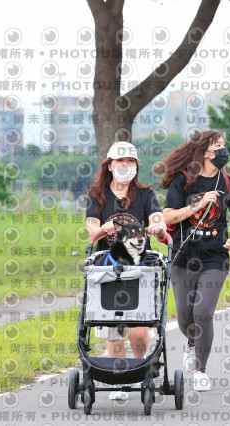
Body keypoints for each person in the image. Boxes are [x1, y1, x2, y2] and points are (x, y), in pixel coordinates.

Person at [156, 130, 230, 391]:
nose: (223, 150)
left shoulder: (229, 183)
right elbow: (166, 216)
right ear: (204, 152)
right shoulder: (184, 180)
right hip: (184, 256)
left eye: (223, 145)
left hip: (215, 256)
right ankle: (191, 343)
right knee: (185, 318)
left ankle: (201, 370)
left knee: (203, 313)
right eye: (217, 145)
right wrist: (196, 206)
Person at [85, 141, 167, 400]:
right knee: (112, 326)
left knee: (139, 329)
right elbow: (91, 229)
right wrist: (102, 229)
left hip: (140, 268)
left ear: (136, 166)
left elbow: (156, 217)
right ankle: (119, 380)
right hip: (108, 269)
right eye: (120, 162)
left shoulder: (145, 194)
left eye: (130, 162)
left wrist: (157, 226)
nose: (125, 166)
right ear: (110, 166)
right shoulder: (97, 196)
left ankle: (138, 368)